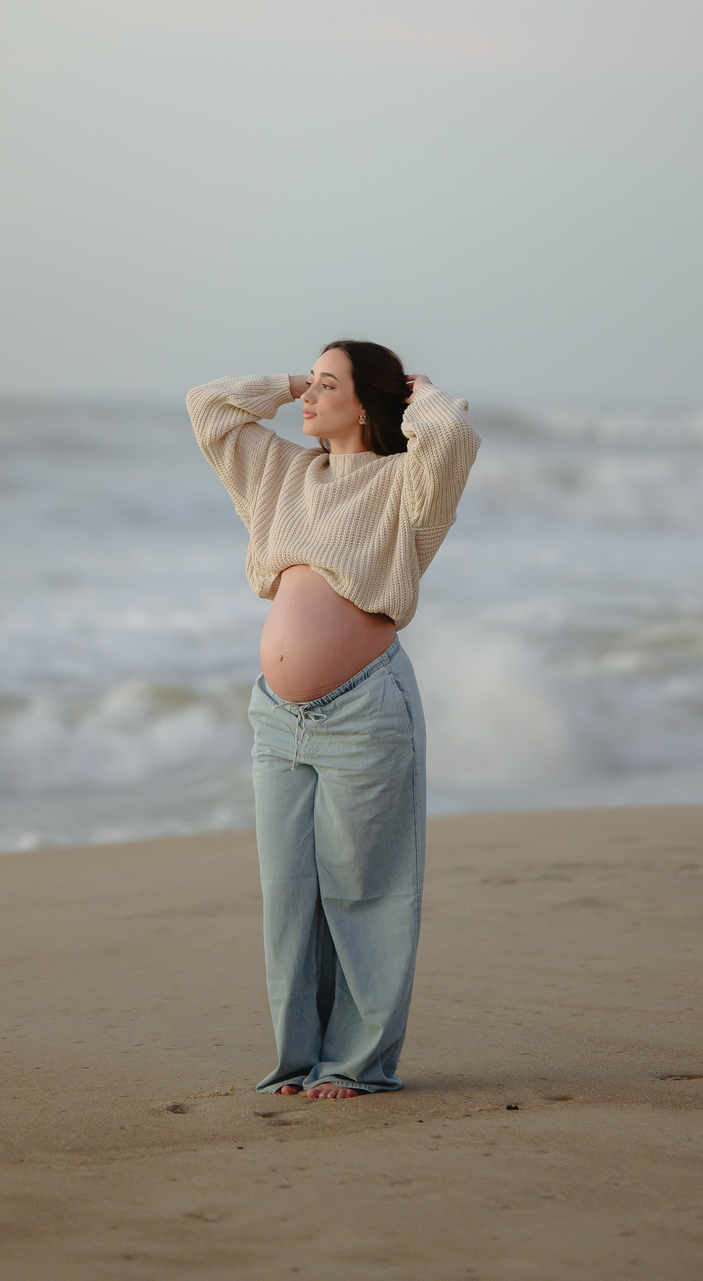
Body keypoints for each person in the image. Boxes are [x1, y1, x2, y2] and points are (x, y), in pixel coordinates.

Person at [187, 340, 480, 1100]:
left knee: (365, 890)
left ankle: (356, 1062)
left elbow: (452, 436)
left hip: (364, 709)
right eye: (309, 385)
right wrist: (288, 382)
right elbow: (208, 408)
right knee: (288, 893)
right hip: (277, 716)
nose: (309, 398)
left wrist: (419, 392)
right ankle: (298, 1058)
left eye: (326, 385)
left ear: (368, 402)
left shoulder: (406, 488)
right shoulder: (283, 474)